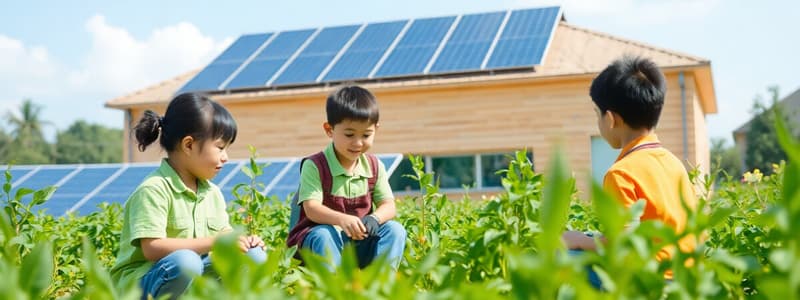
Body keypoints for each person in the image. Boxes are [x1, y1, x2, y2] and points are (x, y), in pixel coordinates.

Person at [110, 93, 267, 299]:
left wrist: (245, 242)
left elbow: (224, 236)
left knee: (253, 256)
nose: (225, 157)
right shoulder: (154, 189)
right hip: (142, 284)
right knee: (186, 261)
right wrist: (216, 242)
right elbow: (152, 248)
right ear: (189, 145)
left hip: (189, 279)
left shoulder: (212, 193)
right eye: (220, 147)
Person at [561, 55, 698, 286]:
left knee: (564, 259)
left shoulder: (622, 173)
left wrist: (579, 241)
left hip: (648, 282)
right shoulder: (673, 163)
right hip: (686, 278)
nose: (598, 121)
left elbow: (620, 242)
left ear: (611, 119)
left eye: (598, 114)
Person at [287, 86, 406, 270]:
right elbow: (311, 209)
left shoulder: (375, 166)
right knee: (323, 234)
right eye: (349, 134)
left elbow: (389, 206)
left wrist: (374, 218)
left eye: (366, 135)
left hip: (358, 242)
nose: (358, 143)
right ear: (329, 129)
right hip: (320, 244)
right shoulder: (315, 165)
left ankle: (381, 286)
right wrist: (342, 219)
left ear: (376, 129)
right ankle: (335, 289)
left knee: (395, 230)